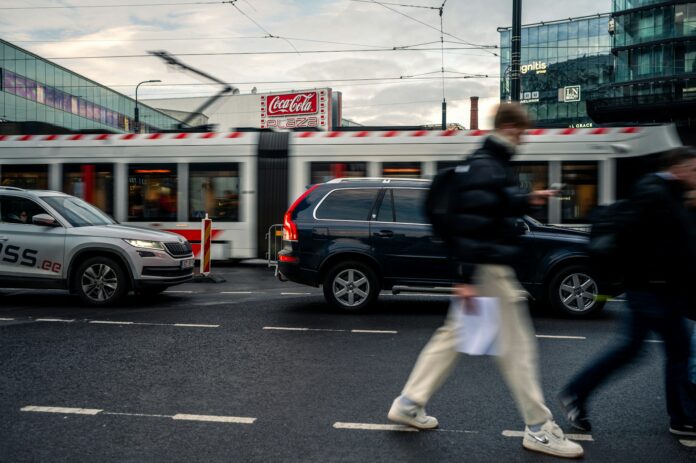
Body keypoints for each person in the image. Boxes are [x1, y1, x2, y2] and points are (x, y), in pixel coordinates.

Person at [387, 103, 584, 459]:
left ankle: (408, 403)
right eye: (522, 132)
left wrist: (527, 199)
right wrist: (466, 275)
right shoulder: (487, 164)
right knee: (518, 348)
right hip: (487, 270)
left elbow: (490, 205)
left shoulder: (487, 162)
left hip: (484, 269)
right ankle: (539, 428)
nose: (523, 139)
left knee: (454, 336)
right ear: (508, 127)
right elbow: (472, 221)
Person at [558, 147, 696, 437]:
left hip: (658, 290)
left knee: (654, 350)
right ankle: (577, 392)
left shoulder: (667, 193)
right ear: (678, 168)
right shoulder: (654, 193)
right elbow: (654, 244)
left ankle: (682, 417)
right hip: (652, 291)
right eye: (693, 169)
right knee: (651, 350)